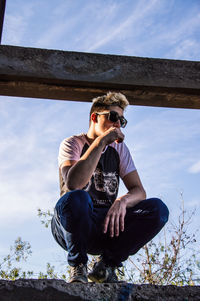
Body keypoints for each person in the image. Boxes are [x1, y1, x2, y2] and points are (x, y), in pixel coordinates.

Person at [51, 92, 169, 283]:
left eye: (122, 120)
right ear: (94, 117)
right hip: (71, 225)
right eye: (113, 117)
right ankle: (78, 266)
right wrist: (101, 141)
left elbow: (139, 190)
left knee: (158, 210)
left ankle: (105, 266)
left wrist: (123, 201)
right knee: (77, 197)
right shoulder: (72, 143)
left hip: (106, 225)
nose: (118, 124)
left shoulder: (120, 150)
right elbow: (74, 184)